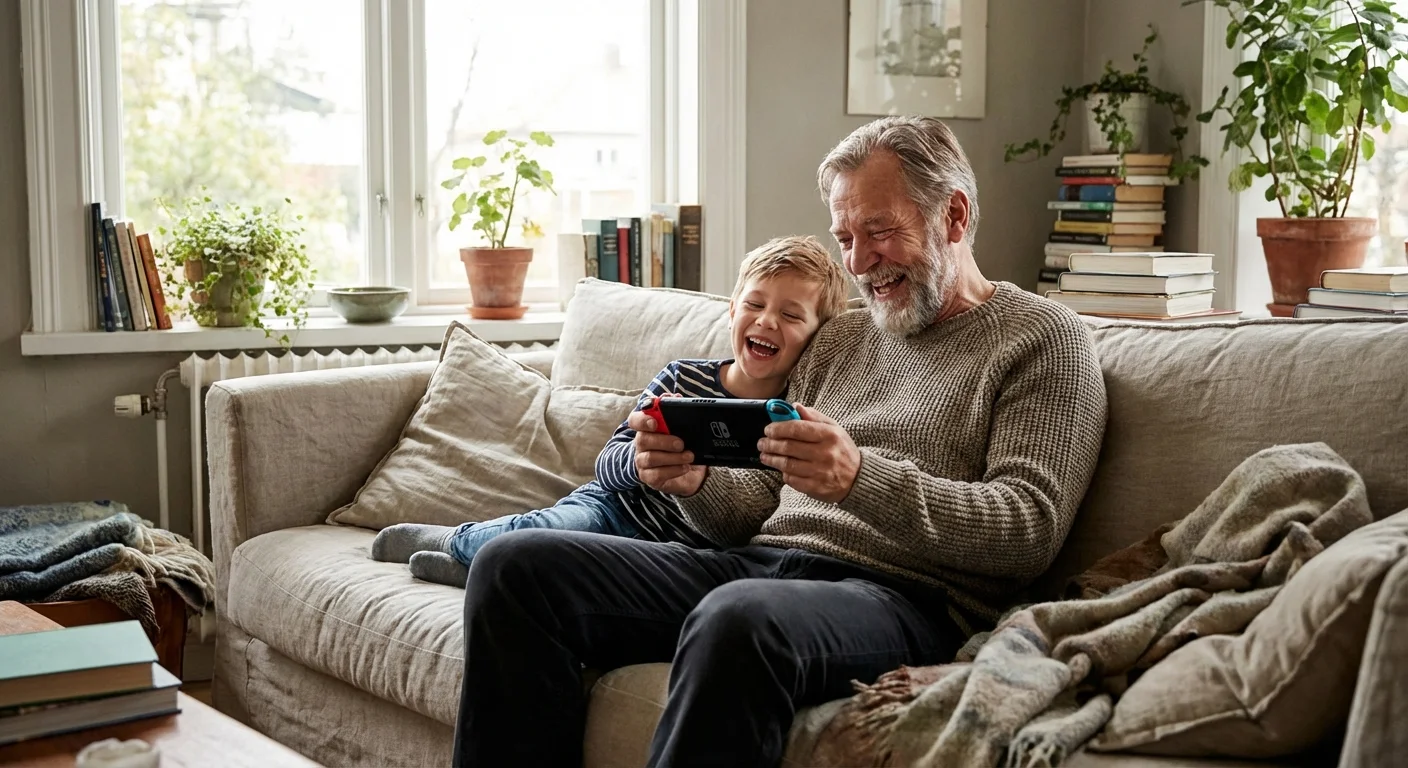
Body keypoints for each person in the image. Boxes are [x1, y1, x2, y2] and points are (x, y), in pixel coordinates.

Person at [452, 116, 1109, 768]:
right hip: (760, 567)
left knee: (739, 619)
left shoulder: (1044, 339)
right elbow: (752, 511)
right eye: (845, 237)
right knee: (514, 568)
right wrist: (696, 482)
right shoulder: (844, 338)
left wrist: (859, 477)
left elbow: (1027, 531)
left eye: (878, 231)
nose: (857, 262)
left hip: (906, 601)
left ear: (955, 216)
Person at [369, 235, 849, 587]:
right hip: (612, 511)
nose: (767, 321)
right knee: (546, 530)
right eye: (755, 304)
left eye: (790, 315)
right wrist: (641, 462)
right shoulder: (682, 380)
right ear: (731, 311)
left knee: (565, 569)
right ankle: (457, 541)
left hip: (676, 552)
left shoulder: (792, 420)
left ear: (818, 335)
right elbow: (607, 462)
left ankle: (469, 563)